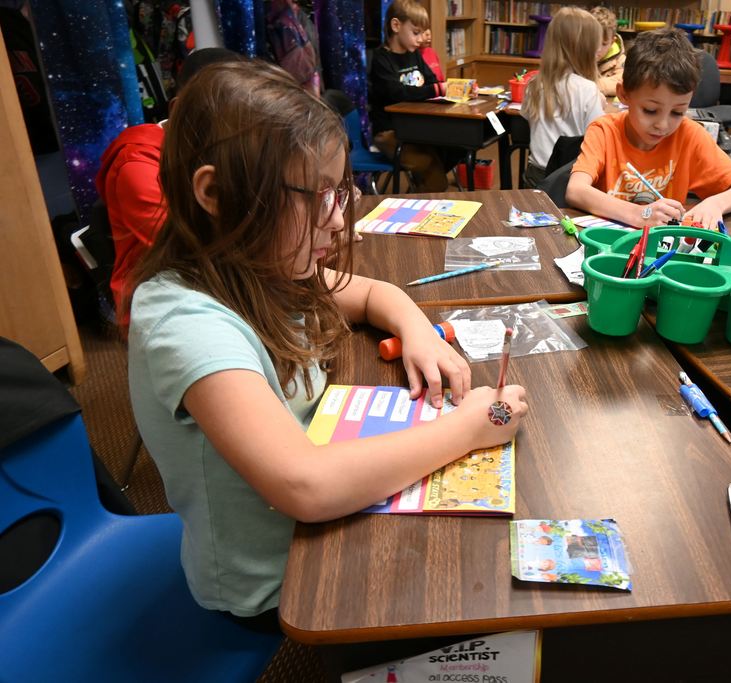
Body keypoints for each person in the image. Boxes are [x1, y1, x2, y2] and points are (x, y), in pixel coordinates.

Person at [126, 60, 528, 624]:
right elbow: (306, 485)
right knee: (471, 601)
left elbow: (369, 292)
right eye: (314, 195)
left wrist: (414, 329)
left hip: (327, 528)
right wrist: (469, 428)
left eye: (339, 192)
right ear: (216, 192)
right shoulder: (186, 323)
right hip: (276, 584)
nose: (339, 221)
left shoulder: (259, 262)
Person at [95, 47, 241, 326]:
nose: (236, 126)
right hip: (165, 298)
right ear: (179, 109)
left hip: (223, 275)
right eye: (223, 112)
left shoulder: (222, 143)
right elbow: (191, 249)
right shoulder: (136, 163)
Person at [565, 27, 731, 229]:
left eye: (677, 112)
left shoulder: (688, 134)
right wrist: (640, 214)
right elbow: (576, 190)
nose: (663, 125)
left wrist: (715, 203)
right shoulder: (605, 131)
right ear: (624, 95)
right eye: (650, 110)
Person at [369, 0, 454, 192]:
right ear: (396, 25)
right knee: (429, 162)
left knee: (450, 147)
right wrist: (437, 90)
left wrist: (446, 88)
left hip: (415, 127)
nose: (420, 39)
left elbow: (432, 81)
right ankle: (430, 203)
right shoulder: (382, 59)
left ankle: (423, 193)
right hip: (389, 132)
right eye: (415, 33)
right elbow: (397, 93)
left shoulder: (414, 54)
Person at [520, 6, 606, 188]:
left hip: (535, 175)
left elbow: (526, 118)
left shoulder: (534, 84)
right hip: (569, 177)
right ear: (585, 49)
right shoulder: (588, 90)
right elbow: (598, 137)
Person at [590, 6, 625, 97]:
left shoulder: (620, 59)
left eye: (604, 44)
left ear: (612, 42)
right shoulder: (575, 55)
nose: (597, 49)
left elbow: (623, 83)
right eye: (592, 42)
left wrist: (590, 86)